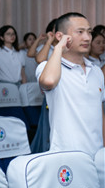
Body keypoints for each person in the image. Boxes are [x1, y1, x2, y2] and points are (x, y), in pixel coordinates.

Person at [37, 12, 105, 156]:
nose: (87, 37)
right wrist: (58, 48)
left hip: (97, 154)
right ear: (61, 37)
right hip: (67, 158)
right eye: (80, 32)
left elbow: (100, 114)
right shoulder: (47, 67)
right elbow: (48, 81)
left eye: (89, 32)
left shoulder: (97, 71)